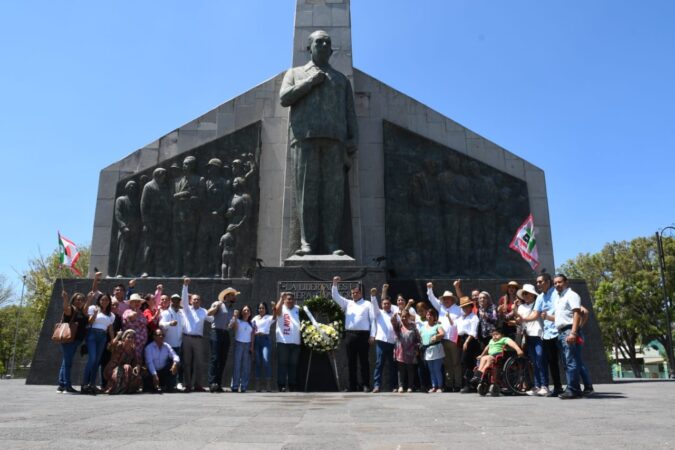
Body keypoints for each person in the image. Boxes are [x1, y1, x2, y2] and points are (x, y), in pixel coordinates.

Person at [279, 29, 358, 256]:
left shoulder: (341, 80)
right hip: (305, 138)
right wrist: (310, 82)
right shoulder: (295, 73)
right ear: (309, 47)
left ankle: (333, 244)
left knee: (333, 196)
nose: (323, 45)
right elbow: (284, 98)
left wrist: (354, 137)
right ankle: (308, 244)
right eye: (319, 42)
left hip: (335, 141)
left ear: (331, 50)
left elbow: (349, 112)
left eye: (327, 42)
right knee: (307, 194)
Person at [544, 274, 593, 399]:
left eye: (559, 282)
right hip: (561, 332)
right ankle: (572, 387)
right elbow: (560, 317)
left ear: (566, 282)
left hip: (568, 331)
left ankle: (573, 389)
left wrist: (574, 332)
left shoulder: (572, 295)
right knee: (567, 362)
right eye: (555, 283)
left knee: (571, 362)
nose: (557, 285)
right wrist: (547, 317)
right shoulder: (560, 298)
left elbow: (577, 313)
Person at [331, 276, 373, 392]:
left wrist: (372, 335)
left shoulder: (367, 304)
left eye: (356, 292)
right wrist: (334, 284)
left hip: (364, 335)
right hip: (350, 335)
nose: (354, 294)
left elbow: (372, 320)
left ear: (360, 293)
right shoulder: (348, 303)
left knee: (364, 361)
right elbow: (335, 296)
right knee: (351, 362)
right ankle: (352, 386)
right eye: (353, 293)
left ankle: (365, 385)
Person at [426, 282, 462, 391]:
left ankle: (458, 384)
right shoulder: (441, 307)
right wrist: (429, 288)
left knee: (456, 362)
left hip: (454, 340)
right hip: (442, 340)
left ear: (452, 299)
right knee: (447, 363)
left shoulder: (458, 309)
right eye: (444, 299)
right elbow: (432, 298)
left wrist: (457, 287)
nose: (446, 300)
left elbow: (463, 299)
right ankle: (449, 384)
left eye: (448, 299)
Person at [513, 283, 548, 396]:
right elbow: (519, 320)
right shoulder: (522, 307)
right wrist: (514, 310)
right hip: (528, 336)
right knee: (533, 362)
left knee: (540, 360)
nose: (525, 295)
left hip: (538, 335)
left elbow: (531, 317)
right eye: (524, 293)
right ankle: (537, 386)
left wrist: (521, 318)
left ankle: (545, 386)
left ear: (533, 295)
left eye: (527, 293)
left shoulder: (538, 304)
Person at [181, 278, 214, 392]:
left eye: (198, 300)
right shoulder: (186, 309)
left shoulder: (204, 311)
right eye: (194, 299)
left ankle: (198, 385)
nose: (196, 301)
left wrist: (215, 309)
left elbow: (211, 319)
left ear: (200, 301)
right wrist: (185, 286)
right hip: (187, 338)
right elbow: (184, 299)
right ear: (191, 301)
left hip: (198, 340)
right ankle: (188, 385)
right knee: (187, 362)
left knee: (199, 363)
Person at [534, 272, 564, 397]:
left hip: (560, 331)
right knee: (552, 362)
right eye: (537, 282)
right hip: (547, 334)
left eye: (540, 282)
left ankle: (583, 386)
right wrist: (521, 318)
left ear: (548, 282)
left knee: (569, 360)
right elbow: (535, 314)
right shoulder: (540, 297)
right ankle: (557, 387)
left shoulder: (557, 294)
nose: (538, 284)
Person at [472, 327, 524, 396]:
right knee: (483, 358)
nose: (494, 336)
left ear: (502, 335)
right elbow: (487, 348)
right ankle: (478, 374)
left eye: (497, 334)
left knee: (488, 358)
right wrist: (481, 355)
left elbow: (512, 343)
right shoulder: (491, 341)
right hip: (490, 356)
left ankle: (481, 374)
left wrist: (518, 350)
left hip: (499, 357)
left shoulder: (504, 339)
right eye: (493, 335)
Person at [81, 291, 115, 395]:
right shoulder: (93, 308)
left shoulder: (111, 315)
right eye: (102, 299)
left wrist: (113, 340)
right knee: (92, 358)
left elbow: (110, 329)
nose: (104, 301)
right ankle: (84, 384)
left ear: (109, 302)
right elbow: (90, 322)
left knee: (97, 361)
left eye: (106, 300)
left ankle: (92, 384)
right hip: (92, 335)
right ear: (99, 301)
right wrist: (95, 314)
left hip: (103, 337)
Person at [57, 290, 90, 394]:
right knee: (68, 363)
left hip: (76, 340)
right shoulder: (71, 309)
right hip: (69, 340)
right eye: (77, 299)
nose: (79, 301)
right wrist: (65, 299)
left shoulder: (82, 311)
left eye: (81, 300)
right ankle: (67, 386)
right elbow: (65, 308)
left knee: (65, 362)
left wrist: (89, 299)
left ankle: (61, 385)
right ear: (73, 300)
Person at [207, 287, 238, 393]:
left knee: (222, 359)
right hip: (216, 332)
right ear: (228, 296)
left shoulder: (231, 309)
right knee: (215, 358)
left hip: (225, 333)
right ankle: (212, 383)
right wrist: (216, 307)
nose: (235, 297)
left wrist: (234, 319)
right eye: (233, 295)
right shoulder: (218, 303)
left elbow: (230, 326)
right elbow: (209, 313)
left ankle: (218, 384)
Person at [369, 285, 398, 393]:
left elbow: (398, 326)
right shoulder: (378, 313)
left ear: (390, 305)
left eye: (388, 303)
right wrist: (373, 296)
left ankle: (394, 386)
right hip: (381, 342)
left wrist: (395, 322)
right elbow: (374, 305)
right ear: (382, 305)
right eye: (384, 304)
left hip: (392, 342)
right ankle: (376, 386)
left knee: (392, 365)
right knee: (379, 364)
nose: (386, 305)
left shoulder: (395, 314)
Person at [274, 292, 301, 392]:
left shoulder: (298, 309)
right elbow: (276, 311)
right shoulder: (281, 308)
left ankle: (292, 384)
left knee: (294, 365)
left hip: (296, 342)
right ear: (284, 300)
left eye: (291, 299)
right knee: (282, 364)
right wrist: (281, 298)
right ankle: (281, 385)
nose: (290, 301)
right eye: (288, 299)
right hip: (283, 342)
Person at [391, 301, 420, 393]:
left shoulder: (413, 326)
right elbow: (393, 322)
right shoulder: (398, 326)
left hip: (411, 351)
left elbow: (417, 339)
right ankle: (401, 386)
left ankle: (410, 387)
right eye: (402, 317)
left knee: (410, 370)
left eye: (405, 316)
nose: (403, 318)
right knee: (401, 370)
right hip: (400, 352)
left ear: (408, 317)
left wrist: (417, 348)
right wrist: (394, 318)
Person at [103, 329, 142, 394]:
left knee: (133, 371)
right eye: (128, 337)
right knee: (127, 367)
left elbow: (136, 361)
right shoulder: (119, 344)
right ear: (124, 338)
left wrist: (137, 367)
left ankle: (127, 389)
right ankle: (115, 389)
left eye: (132, 338)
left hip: (126, 370)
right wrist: (117, 336)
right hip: (113, 368)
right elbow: (109, 347)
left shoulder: (133, 349)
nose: (130, 339)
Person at [159, 293, 185, 390]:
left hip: (179, 343)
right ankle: (167, 384)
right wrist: (170, 323)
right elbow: (161, 324)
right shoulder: (166, 313)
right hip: (168, 343)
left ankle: (176, 383)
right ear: (171, 301)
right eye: (174, 300)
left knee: (177, 364)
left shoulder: (181, 313)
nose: (176, 302)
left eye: (177, 300)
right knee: (168, 364)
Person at [456, 296, 481, 393]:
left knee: (466, 362)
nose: (465, 309)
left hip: (470, 340)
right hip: (462, 339)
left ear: (471, 306)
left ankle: (468, 385)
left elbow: (473, 332)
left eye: (467, 306)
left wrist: (466, 342)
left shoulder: (474, 317)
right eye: (463, 307)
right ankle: (466, 384)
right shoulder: (461, 317)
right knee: (464, 363)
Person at [143, 329, 180, 393]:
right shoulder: (149, 348)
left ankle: (170, 385)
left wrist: (175, 364)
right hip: (152, 371)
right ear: (154, 336)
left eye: (163, 335)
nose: (161, 336)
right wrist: (154, 375)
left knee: (176, 364)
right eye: (159, 335)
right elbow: (149, 363)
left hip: (163, 371)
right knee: (146, 374)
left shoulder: (167, 346)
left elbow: (176, 356)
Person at [229, 305, 254, 393]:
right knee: (237, 365)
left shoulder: (251, 323)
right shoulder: (238, 321)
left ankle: (243, 386)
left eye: (248, 310)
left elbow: (252, 336)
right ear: (241, 312)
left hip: (247, 345)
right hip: (238, 343)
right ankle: (235, 386)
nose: (246, 311)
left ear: (250, 313)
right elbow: (232, 326)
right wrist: (235, 317)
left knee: (245, 367)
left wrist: (251, 346)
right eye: (244, 310)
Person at [252, 301, 275, 392]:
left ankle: (268, 384)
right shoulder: (255, 318)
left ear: (266, 309)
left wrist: (274, 308)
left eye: (263, 308)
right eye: (260, 308)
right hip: (256, 340)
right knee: (258, 362)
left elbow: (275, 316)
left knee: (266, 361)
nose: (261, 309)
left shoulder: (268, 317)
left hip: (265, 340)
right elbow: (251, 327)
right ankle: (258, 385)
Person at [420, 309, 445, 393]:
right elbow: (419, 337)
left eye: (431, 315)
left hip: (436, 349)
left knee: (437, 369)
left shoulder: (437, 326)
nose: (429, 316)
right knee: (431, 370)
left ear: (434, 317)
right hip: (427, 350)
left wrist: (437, 336)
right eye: (428, 315)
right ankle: (434, 386)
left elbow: (442, 334)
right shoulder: (423, 327)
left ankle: (440, 386)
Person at [122, 293, 148, 363]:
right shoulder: (127, 311)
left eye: (138, 301)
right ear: (130, 303)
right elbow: (129, 318)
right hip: (131, 343)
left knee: (138, 362)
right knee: (130, 361)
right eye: (134, 301)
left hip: (141, 343)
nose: (137, 303)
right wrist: (134, 314)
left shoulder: (141, 313)